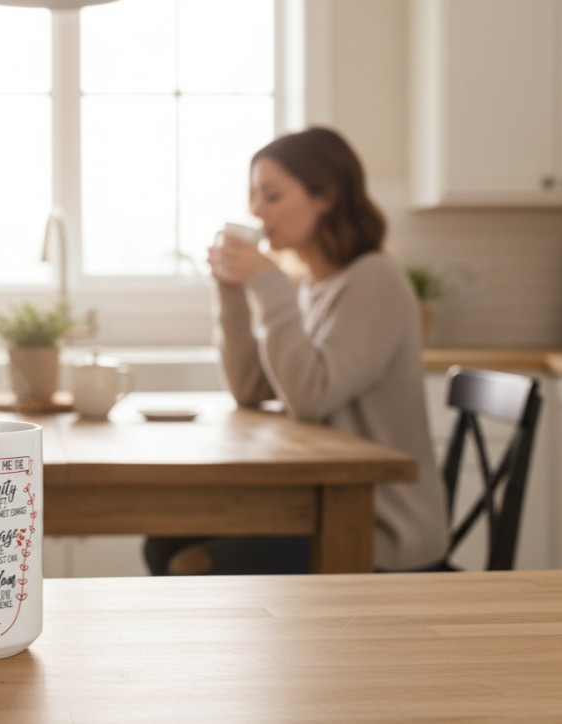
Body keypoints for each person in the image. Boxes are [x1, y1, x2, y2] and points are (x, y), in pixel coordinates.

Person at [144, 127, 448, 576]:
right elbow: (250, 389)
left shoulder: (374, 279)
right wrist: (232, 292)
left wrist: (268, 283)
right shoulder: (311, 287)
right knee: (163, 541)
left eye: (272, 195)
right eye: (254, 196)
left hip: (378, 526)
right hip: (320, 506)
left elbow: (309, 394)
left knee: (195, 564)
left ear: (325, 195)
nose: (256, 211)